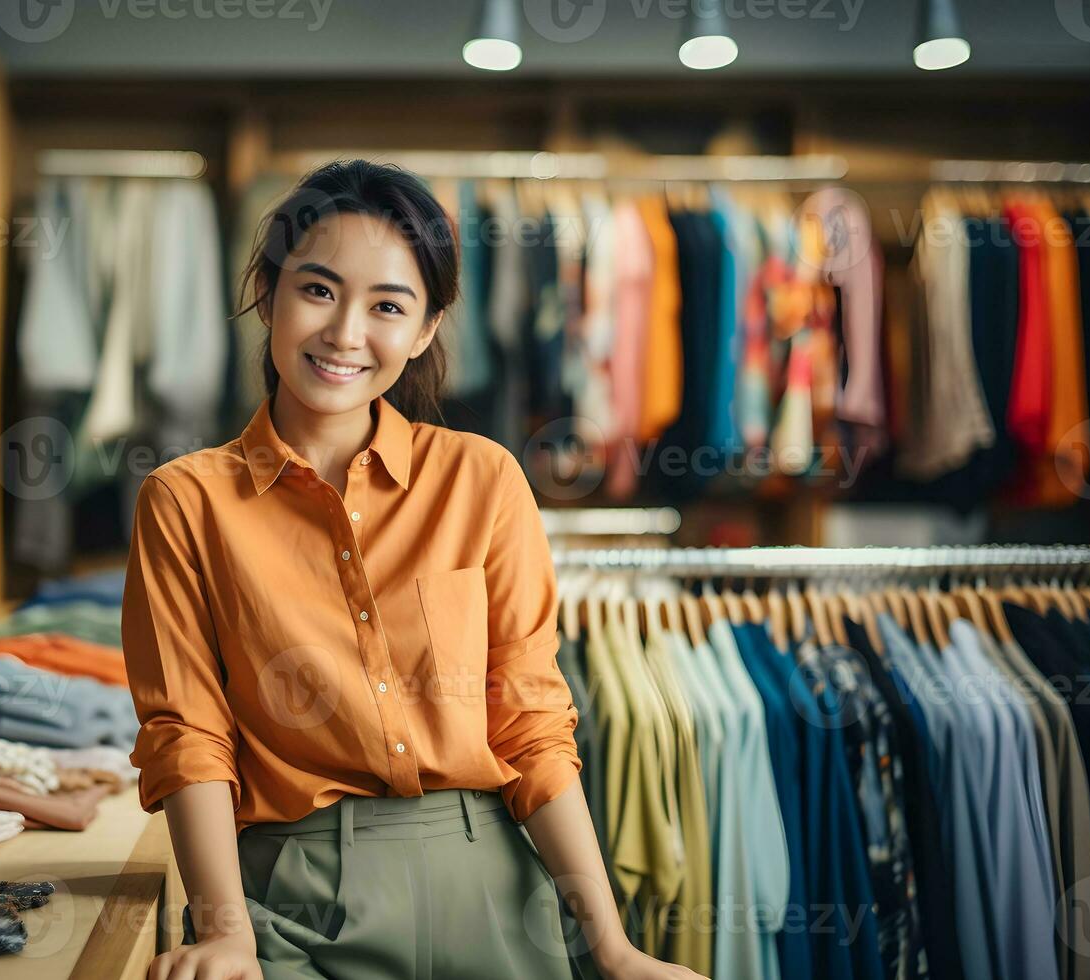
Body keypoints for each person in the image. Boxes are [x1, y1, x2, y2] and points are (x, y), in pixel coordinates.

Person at [121, 158, 706, 980]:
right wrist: (227, 933)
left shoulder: (485, 479)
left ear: (427, 328)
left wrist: (611, 947)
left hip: (495, 887)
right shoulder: (185, 502)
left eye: (387, 306)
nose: (345, 334)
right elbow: (189, 737)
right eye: (318, 290)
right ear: (269, 289)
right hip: (291, 903)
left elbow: (531, 723)